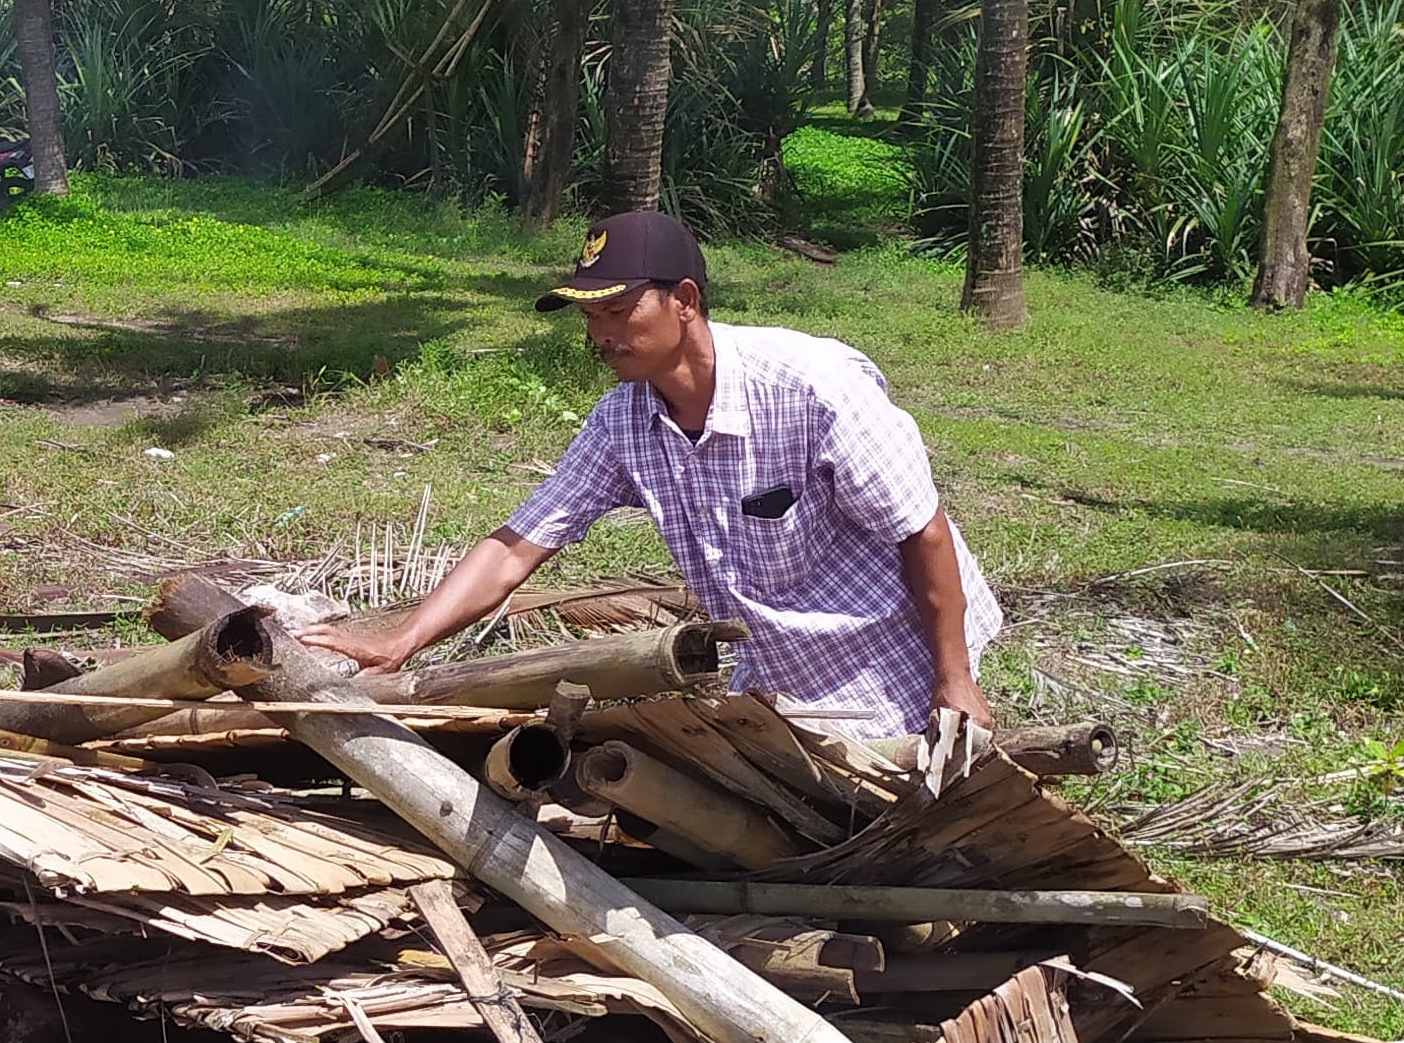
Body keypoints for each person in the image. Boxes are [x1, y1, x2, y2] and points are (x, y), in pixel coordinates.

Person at [304, 211, 1000, 743]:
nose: (600, 335)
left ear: (685, 300)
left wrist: (954, 679)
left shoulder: (813, 389)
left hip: (893, 655)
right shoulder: (625, 422)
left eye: (617, 311)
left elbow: (923, 532)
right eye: (589, 316)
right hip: (780, 666)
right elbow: (517, 546)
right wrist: (400, 640)